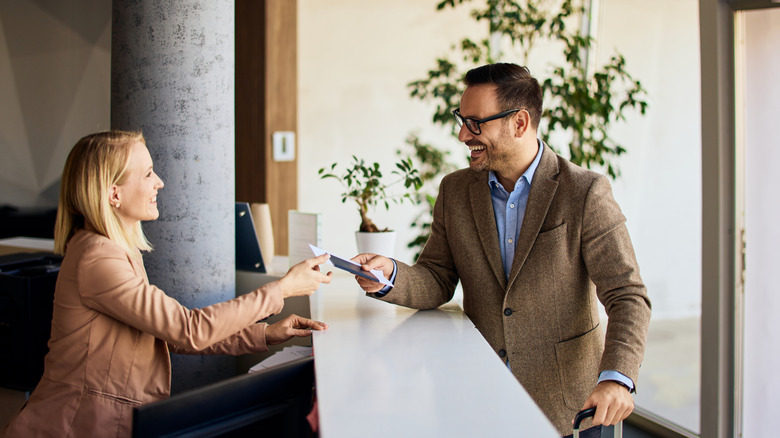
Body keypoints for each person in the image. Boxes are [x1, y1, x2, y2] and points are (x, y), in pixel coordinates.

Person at [351, 63, 651, 435]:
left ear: (520, 123)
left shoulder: (584, 192)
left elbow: (627, 295)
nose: (463, 134)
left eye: (475, 122)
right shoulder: (455, 191)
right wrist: (389, 275)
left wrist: (617, 378)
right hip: (477, 399)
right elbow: (438, 277)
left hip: (566, 408)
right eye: (461, 120)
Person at [1, 130, 333, 438]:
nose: (159, 182)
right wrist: (283, 288)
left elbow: (169, 334)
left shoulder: (115, 251)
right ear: (113, 194)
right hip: (73, 425)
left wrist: (266, 333)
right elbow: (188, 329)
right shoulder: (98, 259)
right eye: (147, 174)